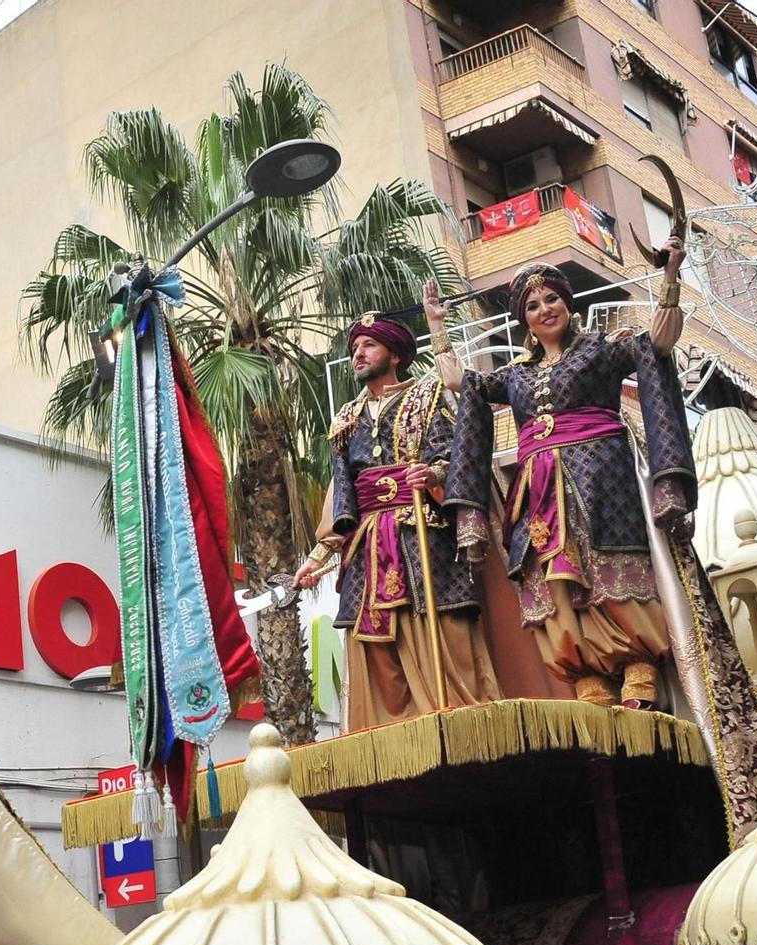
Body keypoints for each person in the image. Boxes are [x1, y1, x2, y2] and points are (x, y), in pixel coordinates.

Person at [440, 247, 695, 709]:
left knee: (607, 563)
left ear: (568, 304)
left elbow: (658, 341)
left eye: (552, 299)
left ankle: (639, 664)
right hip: (536, 489)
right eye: (533, 306)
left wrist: (672, 276)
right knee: (549, 571)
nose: (544, 310)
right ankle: (584, 676)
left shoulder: (601, 349)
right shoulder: (516, 374)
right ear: (525, 321)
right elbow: (463, 384)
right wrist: (438, 328)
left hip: (602, 478)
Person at [295, 284, 499, 726]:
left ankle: (463, 726)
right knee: (375, 651)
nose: (358, 354)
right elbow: (343, 495)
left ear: (395, 354)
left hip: (422, 532)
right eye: (355, 348)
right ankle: (393, 734)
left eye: (369, 345)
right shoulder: (344, 420)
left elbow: (455, 452)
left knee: (439, 633)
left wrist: (435, 474)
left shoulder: (427, 397)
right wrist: (318, 558)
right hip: (366, 546)